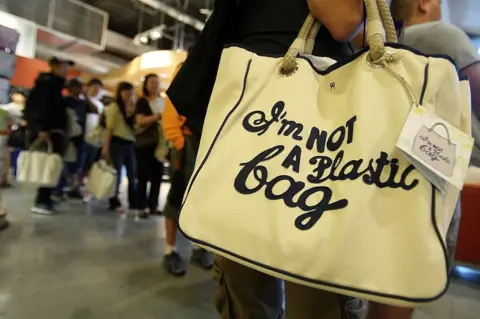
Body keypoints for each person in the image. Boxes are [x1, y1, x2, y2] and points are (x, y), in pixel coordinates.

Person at [166, 0, 413, 318]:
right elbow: (344, 19)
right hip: (311, 112)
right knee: (312, 286)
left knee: (245, 283)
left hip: (256, 102)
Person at [391, 0, 480, 313]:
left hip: (401, 158)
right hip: (448, 155)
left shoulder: (392, 42)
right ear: (424, 3)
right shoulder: (441, 33)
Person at [162, 64, 214, 277]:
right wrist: (179, 142)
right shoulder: (188, 69)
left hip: (206, 142)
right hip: (188, 142)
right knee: (177, 196)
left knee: (202, 199)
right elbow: (173, 105)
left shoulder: (217, 69)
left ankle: (197, 247)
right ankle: (170, 250)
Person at [24, 57, 73, 215]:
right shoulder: (47, 84)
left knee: (52, 165)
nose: (66, 70)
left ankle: (46, 197)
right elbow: (41, 108)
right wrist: (42, 129)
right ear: (54, 66)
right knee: (48, 165)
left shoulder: (54, 85)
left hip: (54, 131)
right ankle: (41, 200)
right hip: (48, 131)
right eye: (63, 66)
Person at [101, 82, 139, 214]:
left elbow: (135, 126)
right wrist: (106, 147)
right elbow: (109, 129)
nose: (129, 94)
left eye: (131, 91)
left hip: (129, 143)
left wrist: (130, 110)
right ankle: (113, 201)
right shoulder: (113, 107)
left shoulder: (132, 108)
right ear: (120, 92)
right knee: (115, 174)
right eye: (126, 91)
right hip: (116, 143)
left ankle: (134, 202)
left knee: (132, 173)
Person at [134, 74, 165, 219]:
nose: (154, 85)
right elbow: (140, 120)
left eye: (156, 83)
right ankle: (141, 206)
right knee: (143, 175)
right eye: (152, 82)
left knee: (157, 176)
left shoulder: (163, 101)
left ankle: (153, 205)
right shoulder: (142, 101)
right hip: (145, 143)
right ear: (146, 84)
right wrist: (157, 117)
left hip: (160, 144)